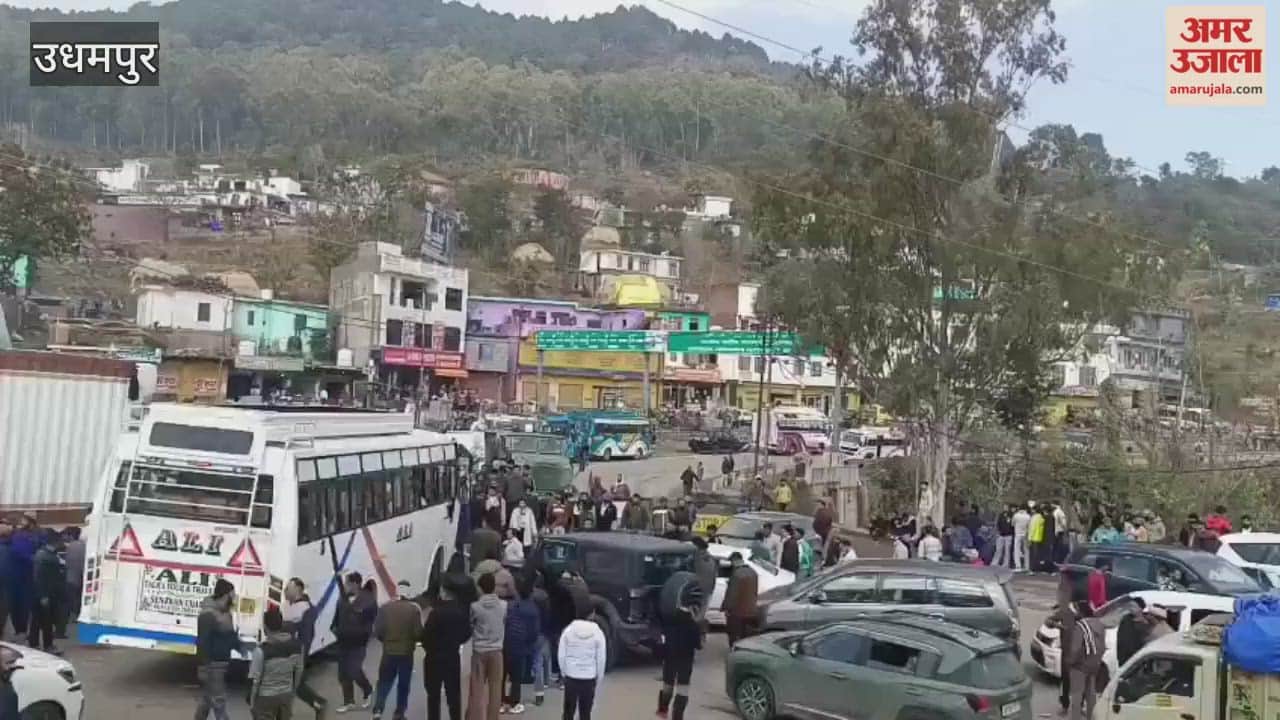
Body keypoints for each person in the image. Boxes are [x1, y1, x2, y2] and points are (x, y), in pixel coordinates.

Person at [371, 580, 423, 720]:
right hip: (406, 653)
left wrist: (386, 641)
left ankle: (378, 710)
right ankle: (399, 713)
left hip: (388, 652)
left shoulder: (385, 608)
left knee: (384, 682)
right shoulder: (414, 609)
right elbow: (418, 633)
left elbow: (378, 631)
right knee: (403, 684)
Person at [422, 578, 471, 720]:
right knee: (453, 695)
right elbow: (466, 633)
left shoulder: (435, 613)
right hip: (452, 656)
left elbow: (426, 636)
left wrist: (429, 648)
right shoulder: (460, 612)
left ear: (445, 593)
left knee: (433, 696)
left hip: (434, 658)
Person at [195, 579, 241, 720]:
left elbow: (228, 636)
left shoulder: (225, 613)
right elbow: (203, 642)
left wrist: (239, 645)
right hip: (213, 664)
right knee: (219, 702)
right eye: (232, 595)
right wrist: (203, 666)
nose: (234, 598)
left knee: (207, 700)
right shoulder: (208, 614)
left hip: (222, 662)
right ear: (225, 595)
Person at [248, 607, 304, 720]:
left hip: (265, 698)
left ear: (265, 627)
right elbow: (299, 670)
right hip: (286, 695)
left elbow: (255, 680)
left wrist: (252, 702)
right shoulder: (297, 646)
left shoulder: (261, 651)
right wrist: (292, 692)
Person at [282, 578, 327, 717]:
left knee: (294, 683)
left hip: (297, 652)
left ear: (298, 590)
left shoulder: (305, 609)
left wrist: (300, 655)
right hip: (288, 651)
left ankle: (317, 704)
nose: (285, 591)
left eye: (289, 588)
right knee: (293, 683)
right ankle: (318, 702)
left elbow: (306, 637)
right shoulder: (289, 605)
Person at [333, 572, 376, 713]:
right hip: (343, 640)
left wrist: (364, 635)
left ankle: (367, 689)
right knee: (343, 673)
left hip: (358, 642)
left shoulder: (368, 600)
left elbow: (371, 621)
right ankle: (348, 701)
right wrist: (334, 629)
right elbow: (337, 615)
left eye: (347, 583)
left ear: (355, 584)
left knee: (354, 669)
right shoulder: (342, 598)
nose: (345, 586)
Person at [657, 590, 702, 720]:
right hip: (686, 661)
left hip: (670, 658)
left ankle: (663, 710)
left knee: (667, 685)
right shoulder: (693, 625)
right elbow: (698, 645)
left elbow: (663, 638)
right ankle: (677, 716)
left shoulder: (669, 619)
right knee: (683, 690)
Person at [558, 603, 607, 720]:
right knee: (585, 713)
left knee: (568, 712)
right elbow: (601, 658)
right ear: (592, 614)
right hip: (589, 678)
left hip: (571, 676)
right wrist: (599, 677)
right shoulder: (598, 633)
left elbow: (561, 655)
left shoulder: (568, 631)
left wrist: (564, 672)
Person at [468, 573, 506, 720]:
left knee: (477, 689)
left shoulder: (475, 607)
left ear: (480, 588)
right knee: (495, 689)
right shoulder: (503, 606)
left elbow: (471, 625)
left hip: (479, 650)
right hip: (497, 650)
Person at [500, 580, 539, 715]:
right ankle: (514, 703)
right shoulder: (532, 609)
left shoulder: (510, 606)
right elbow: (534, 631)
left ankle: (500, 702)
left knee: (503, 674)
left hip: (505, 642)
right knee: (516, 677)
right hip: (521, 645)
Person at [1065, 603, 1106, 720]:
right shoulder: (1099, 624)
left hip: (1080, 666)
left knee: (1077, 696)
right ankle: (1091, 717)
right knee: (1091, 694)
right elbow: (1103, 645)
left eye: (1077, 610)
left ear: (1081, 612)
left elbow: (1075, 649)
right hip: (1094, 663)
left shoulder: (1080, 626)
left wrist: (1070, 661)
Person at [28, 530, 61, 653]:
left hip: (40, 593)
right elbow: (40, 576)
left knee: (36, 620)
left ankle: (34, 643)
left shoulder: (41, 554)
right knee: (47, 621)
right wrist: (43, 595)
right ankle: (48, 645)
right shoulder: (46, 556)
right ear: (55, 542)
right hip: (45, 593)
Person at [722, 552, 758, 648]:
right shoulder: (753, 572)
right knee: (746, 634)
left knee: (733, 633)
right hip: (751, 609)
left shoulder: (736, 574)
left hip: (737, 611)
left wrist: (726, 608)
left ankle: (734, 650)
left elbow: (732, 594)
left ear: (735, 561)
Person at [528, 575, 554, 707]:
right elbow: (548, 615)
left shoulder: (530, 596)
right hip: (544, 631)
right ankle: (546, 681)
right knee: (545, 657)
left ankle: (539, 693)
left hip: (534, 632)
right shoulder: (546, 597)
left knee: (537, 661)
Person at [60, 527, 84, 637]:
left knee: (70, 598)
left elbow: (69, 563)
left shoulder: (72, 547)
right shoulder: (83, 545)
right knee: (77, 597)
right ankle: (77, 614)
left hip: (72, 577)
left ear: (70, 535)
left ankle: (72, 616)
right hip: (80, 576)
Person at [1027, 504, 1047, 571]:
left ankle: (1032, 568)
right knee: (1038, 554)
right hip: (1040, 537)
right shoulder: (1041, 518)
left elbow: (1032, 528)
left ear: (1034, 510)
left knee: (1033, 555)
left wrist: (1029, 538)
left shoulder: (1034, 518)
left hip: (1034, 538)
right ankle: (1038, 568)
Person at [1012, 503, 1031, 572]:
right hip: (1026, 534)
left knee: (1017, 550)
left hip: (1018, 534)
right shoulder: (1028, 516)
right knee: (1026, 550)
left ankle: (1018, 566)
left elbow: (1012, 524)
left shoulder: (1016, 515)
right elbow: (1029, 526)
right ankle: (1027, 566)